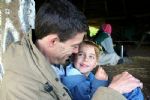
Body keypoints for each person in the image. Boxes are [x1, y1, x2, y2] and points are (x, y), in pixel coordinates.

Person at [0, 0, 143, 100]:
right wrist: (113, 91)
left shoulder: (52, 61)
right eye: (75, 46)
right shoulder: (22, 89)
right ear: (53, 41)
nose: (76, 52)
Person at [61, 40, 144, 100]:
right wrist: (99, 82)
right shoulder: (75, 82)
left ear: (96, 63)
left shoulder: (87, 75)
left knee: (132, 89)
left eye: (91, 56)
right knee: (133, 92)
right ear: (73, 57)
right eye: (81, 54)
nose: (86, 59)